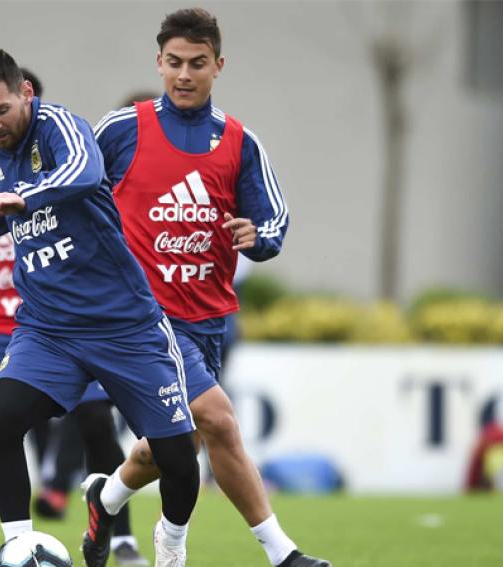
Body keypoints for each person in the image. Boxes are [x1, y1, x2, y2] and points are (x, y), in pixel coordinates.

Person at [0, 48, 199, 567]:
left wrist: (26, 197)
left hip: (124, 326)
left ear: (25, 92)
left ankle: (169, 545)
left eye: (1, 110)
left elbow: (85, 172)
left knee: (178, 457)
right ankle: (19, 547)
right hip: (48, 330)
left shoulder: (61, 126)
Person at [84, 8, 330, 567]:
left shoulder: (240, 142)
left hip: (207, 320)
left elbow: (273, 218)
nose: (184, 74)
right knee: (217, 418)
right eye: (174, 62)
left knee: (176, 442)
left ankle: (107, 497)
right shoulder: (122, 129)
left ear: (219, 66)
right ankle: (281, 553)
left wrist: (258, 236)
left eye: (197, 63)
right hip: (141, 319)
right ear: (159, 62)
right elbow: (71, 188)